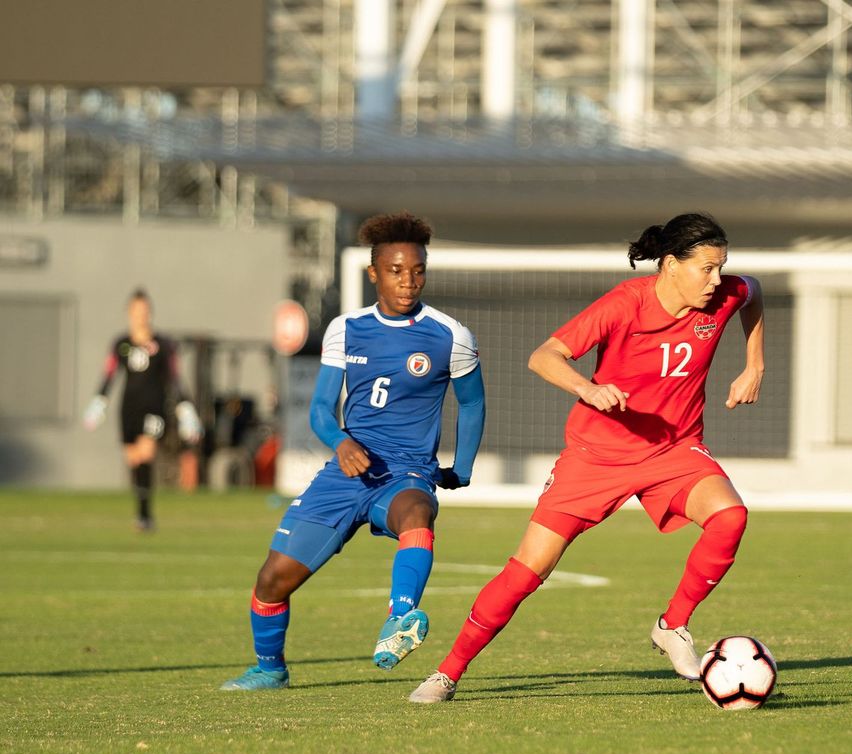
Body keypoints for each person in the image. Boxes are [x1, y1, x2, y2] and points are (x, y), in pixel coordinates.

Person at [409, 212, 764, 703]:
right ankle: (447, 672)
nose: (717, 279)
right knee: (526, 572)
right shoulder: (624, 304)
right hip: (596, 457)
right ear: (669, 265)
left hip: (674, 450)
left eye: (721, 267)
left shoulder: (722, 297)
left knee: (730, 517)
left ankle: (673, 625)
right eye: (706, 268)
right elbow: (544, 356)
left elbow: (754, 291)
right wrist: (587, 388)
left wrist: (754, 363)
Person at [221, 211, 486, 691]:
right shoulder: (346, 329)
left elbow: (473, 403)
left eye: (418, 270)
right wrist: (341, 442)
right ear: (374, 273)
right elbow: (321, 410)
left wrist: (461, 468)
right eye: (396, 271)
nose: (409, 282)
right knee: (271, 581)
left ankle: (400, 618)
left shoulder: (451, 336)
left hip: (406, 472)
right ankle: (269, 668)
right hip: (346, 474)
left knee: (417, 514)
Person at [83, 289, 203, 531]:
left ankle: (145, 517)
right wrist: (99, 403)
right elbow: (109, 375)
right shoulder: (121, 344)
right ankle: (141, 511)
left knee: (146, 455)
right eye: (137, 311)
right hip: (128, 409)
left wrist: (186, 410)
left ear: (151, 313)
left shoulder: (163, 345)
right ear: (130, 313)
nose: (141, 316)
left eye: (145, 311)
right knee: (134, 460)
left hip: (154, 408)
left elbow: (175, 379)